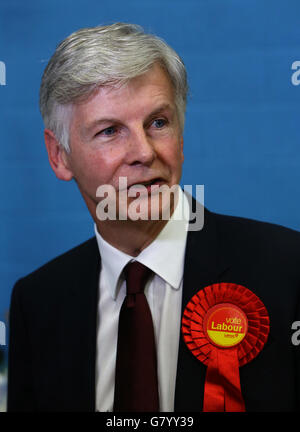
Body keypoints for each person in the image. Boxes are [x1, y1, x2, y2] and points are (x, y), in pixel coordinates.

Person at [7, 23, 300, 412]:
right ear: (59, 156)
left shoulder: (288, 268)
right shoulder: (37, 303)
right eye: (110, 131)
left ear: (180, 136)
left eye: (158, 123)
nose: (143, 152)